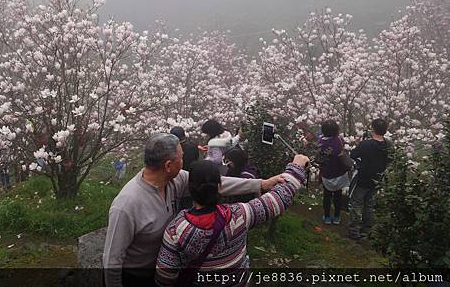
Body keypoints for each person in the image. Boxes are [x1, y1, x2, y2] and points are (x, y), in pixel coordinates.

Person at [103, 133, 286, 287]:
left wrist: (261, 184)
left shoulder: (175, 180)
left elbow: (215, 184)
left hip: (165, 269)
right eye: (181, 158)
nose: (184, 162)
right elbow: (112, 259)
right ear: (168, 165)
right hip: (137, 277)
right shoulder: (126, 205)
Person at [155, 156, 308, 286]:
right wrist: (296, 168)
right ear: (220, 186)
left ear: (189, 188)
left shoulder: (176, 229)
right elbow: (278, 199)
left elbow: (165, 278)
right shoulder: (239, 215)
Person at [348, 118, 393, 240]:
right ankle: (366, 231)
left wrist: (359, 143)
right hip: (377, 179)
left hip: (363, 178)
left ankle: (354, 231)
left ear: (373, 129)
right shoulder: (388, 145)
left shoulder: (366, 144)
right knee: (369, 205)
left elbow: (353, 154)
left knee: (356, 204)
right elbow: (390, 159)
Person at [317, 120, 350, 225]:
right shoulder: (339, 140)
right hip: (339, 174)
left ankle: (326, 217)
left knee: (327, 196)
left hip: (327, 174)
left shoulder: (320, 142)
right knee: (338, 196)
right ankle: (336, 217)